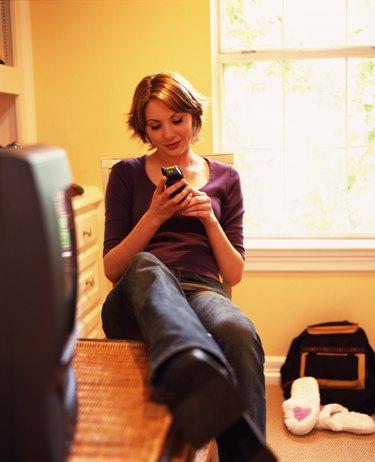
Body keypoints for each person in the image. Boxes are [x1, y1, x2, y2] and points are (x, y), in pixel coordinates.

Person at [101, 71, 275, 461]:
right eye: (155, 125)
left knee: (237, 329)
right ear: (143, 129)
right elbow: (114, 269)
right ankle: (191, 366)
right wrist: (154, 216)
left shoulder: (226, 179)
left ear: (194, 116)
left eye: (176, 120)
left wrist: (208, 219)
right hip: (136, 298)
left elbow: (233, 274)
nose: (167, 134)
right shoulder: (126, 174)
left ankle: (242, 446)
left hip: (200, 290)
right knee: (146, 264)